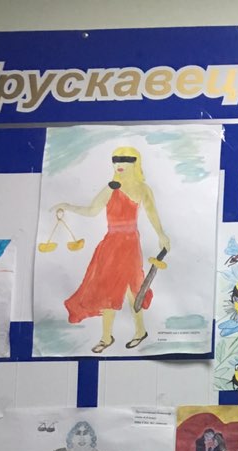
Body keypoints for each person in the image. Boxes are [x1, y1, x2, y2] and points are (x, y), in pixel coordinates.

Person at [56, 145, 170, 352]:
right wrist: (68, 206)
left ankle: (140, 331)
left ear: (135, 163)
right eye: (116, 161)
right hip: (110, 244)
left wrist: (161, 234)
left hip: (130, 243)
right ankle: (106, 337)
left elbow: (152, 213)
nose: (119, 165)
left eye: (125, 160)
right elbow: (92, 211)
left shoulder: (143, 189)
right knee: (107, 290)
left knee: (133, 290)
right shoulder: (111, 187)